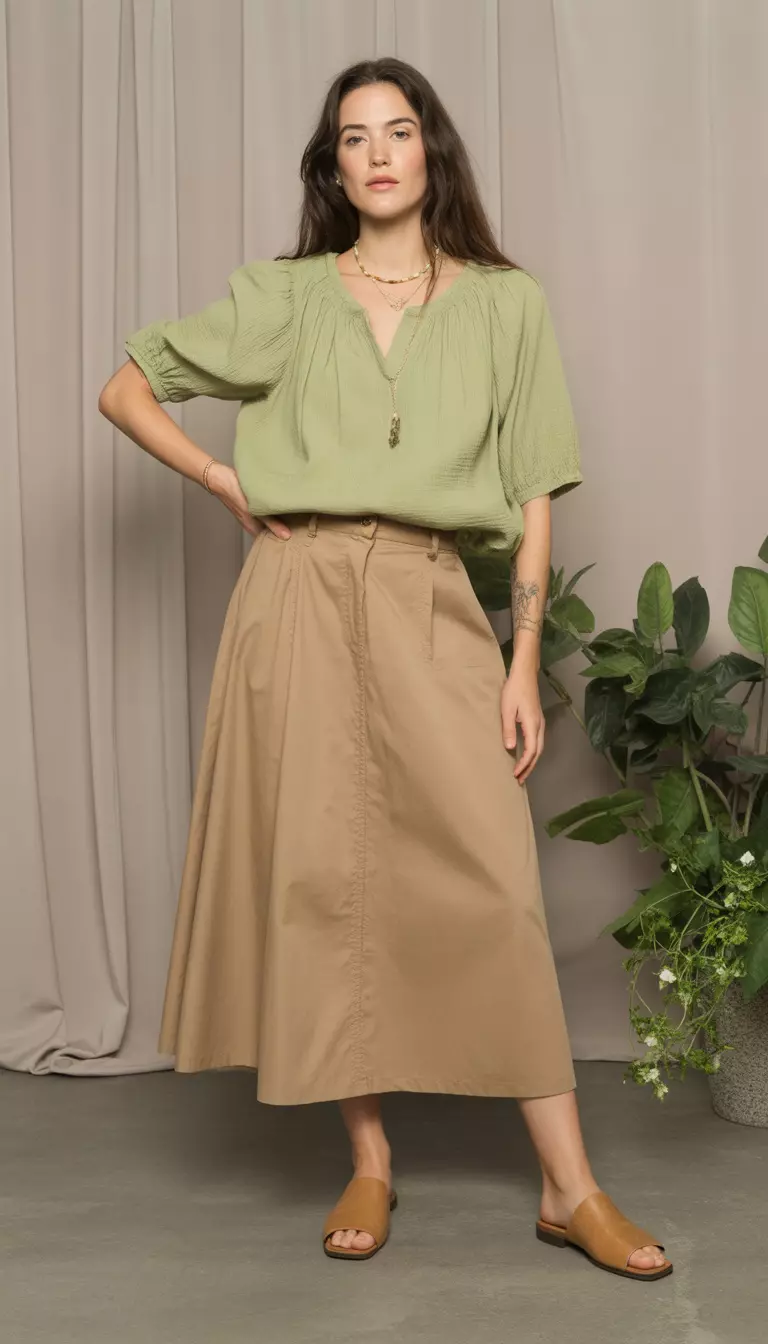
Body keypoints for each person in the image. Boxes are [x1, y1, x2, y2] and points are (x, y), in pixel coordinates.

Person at [98, 56, 672, 1282]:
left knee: (493, 889)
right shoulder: (288, 296)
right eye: (352, 135)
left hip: (427, 596)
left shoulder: (507, 304)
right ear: (333, 165)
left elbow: (529, 496)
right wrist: (222, 480)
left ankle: (570, 1188)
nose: (375, 152)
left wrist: (520, 664)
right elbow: (128, 385)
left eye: (397, 131)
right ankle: (369, 1157)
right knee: (324, 877)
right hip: (296, 598)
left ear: (431, 153)